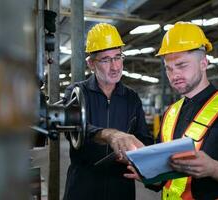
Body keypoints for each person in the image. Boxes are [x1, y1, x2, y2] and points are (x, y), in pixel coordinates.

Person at [124, 21, 218, 199]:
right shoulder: (170, 112)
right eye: (169, 68)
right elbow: (166, 176)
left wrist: (214, 168)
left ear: (203, 63)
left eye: (182, 65)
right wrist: (148, 174)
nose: (174, 75)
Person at [62, 23, 153, 200]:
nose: (115, 66)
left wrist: (137, 153)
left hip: (121, 189)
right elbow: (71, 127)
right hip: (83, 187)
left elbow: (144, 138)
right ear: (91, 63)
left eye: (118, 57)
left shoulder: (131, 98)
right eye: (105, 59)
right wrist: (108, 135)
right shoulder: (77, 93)